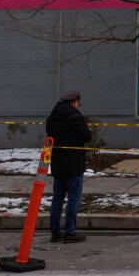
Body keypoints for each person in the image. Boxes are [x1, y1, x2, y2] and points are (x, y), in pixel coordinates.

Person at [46, 89, 92, 243]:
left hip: (58, 163)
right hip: (74, 163)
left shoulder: (53, 116)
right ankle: (70, 231)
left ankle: (54, 230)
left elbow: (49, 135)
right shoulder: (75, 116)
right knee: (73, 197)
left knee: (58, 197)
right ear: (74, 102)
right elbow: (86, 136)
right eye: (78, 103)